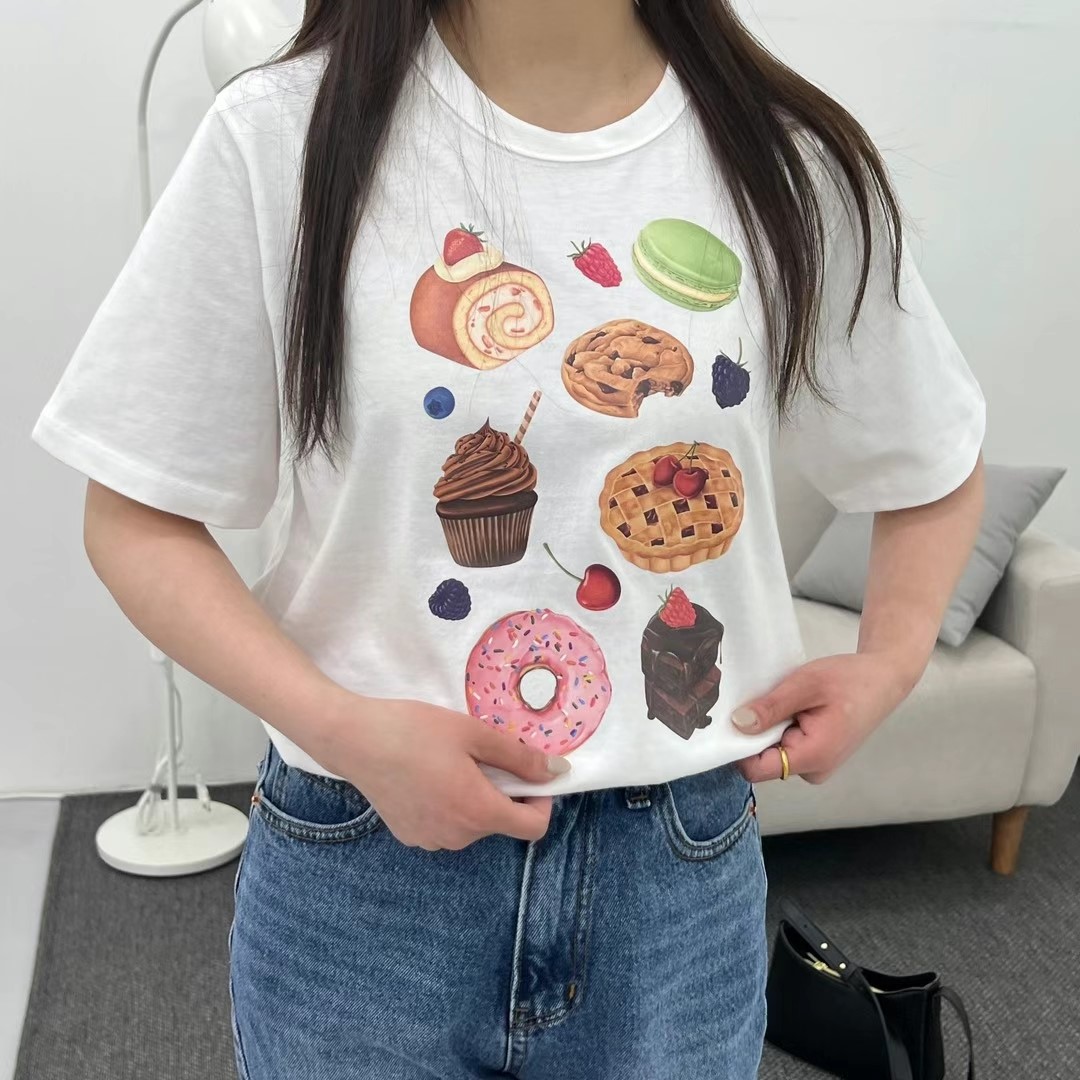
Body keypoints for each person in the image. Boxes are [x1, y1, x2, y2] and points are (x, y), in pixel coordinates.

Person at [31, 1, 986, 1077]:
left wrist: (893, 660)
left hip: (674, 882)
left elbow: (932, 460)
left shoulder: (785, 159)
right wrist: (342, 728)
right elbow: (137, 516)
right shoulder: (281, 138)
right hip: (362, 870)